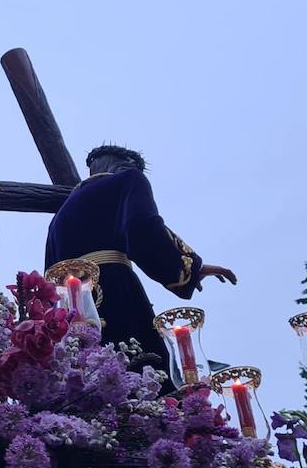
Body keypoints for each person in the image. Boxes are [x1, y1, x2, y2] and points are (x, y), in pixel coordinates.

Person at [44, 145, 236, 362]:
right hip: (117, 291)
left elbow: (49, 280)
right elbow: (142, 227)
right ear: (127, 163)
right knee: (139, 368)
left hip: (73, 312)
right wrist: (189, 268)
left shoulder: (59, 216)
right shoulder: (129, 178)